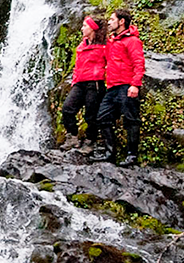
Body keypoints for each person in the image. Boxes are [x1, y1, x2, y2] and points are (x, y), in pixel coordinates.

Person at [89, 9, 145, 167]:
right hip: (112, 86)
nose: (109, 22)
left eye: (112, 20)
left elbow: (139, 63)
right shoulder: (112, 41)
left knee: (131, 120)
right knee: (102, 118)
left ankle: (132, 156)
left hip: (127, 85)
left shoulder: (132, 41)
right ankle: (110, 153)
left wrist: (135, 84)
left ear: (121, 21)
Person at [59, 15, 108, 151]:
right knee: (67, 108)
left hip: (95, 83)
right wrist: (74, 80)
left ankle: (90, 141)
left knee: (91, 115)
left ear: (93, 29)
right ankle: (72, 136)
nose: (82, 28)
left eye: (85, 26)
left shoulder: (104, 46)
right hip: (80, 82)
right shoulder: (82, 44)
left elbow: (112, 63)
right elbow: (78, 64)